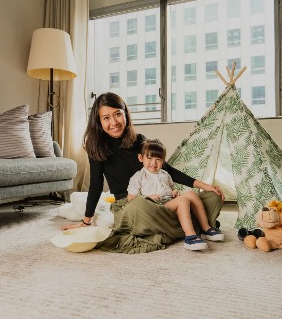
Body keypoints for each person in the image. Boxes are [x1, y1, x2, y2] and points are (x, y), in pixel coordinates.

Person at [61, 92, 224, 254]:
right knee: (140, 203)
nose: (114, 122)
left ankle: (186, 225)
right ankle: (186, 225)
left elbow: (167, 170)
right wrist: (86, 222)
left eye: (118, 114)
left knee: (211, 196)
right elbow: (96, 185)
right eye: (106, 118)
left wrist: (205, 186)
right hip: (133, 206)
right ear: (99, 122)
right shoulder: (96, 146)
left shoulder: (139, 141)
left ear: (125, 113)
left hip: (160, 202)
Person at [127, 138, 225, 251]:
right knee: (183, 200)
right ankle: (190, 236)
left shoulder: (165, 174)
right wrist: (147, 197)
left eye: (158, 159)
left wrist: (174, 192)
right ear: (141, 158)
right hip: (155, 207)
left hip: (170, 204)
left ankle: (206, 228)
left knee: (191, 194)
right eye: (149, 158)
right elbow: (130, 198)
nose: (153, 163)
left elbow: (172, 189)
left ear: (163, 161)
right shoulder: (138, 176)